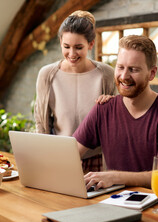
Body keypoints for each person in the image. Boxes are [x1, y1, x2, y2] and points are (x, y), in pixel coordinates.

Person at [73, 35, 158, 196]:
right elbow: (70, 153)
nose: (124, 76)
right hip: (117, 201)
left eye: (133, 69)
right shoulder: (103, 109)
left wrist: (115, 176)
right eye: (120, 67)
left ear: (152, 73)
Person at [34, 10, 116, 173]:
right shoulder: (47, 74)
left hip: (97, 159)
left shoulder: (106, 74)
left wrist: (113, 104)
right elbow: (41, 121)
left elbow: (118, 120)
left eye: (79, 47)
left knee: (95, 199)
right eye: (66, 47)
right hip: (59, 156)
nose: (71, 54)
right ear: (60, 42)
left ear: (91, 44)